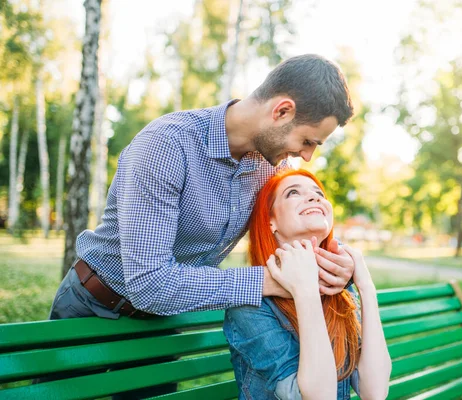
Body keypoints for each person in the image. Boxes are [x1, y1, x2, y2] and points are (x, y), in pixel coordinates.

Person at [44, 54, 355, 398]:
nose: (307, 156)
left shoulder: (270, 167)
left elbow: (295, 220)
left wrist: (337, 264)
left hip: (162, 321)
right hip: (92, 305)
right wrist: (268, 281)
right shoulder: (167, 145)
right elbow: (149, 284)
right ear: (282, 111)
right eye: (308, 141)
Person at [224, 169, 392, 400]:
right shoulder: (250, 302)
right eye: (293, 193)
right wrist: (306, 291)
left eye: (318, 193)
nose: (315, 198)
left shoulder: (337, 288)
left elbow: (374, 392)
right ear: (270, 221)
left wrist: (366, 287)